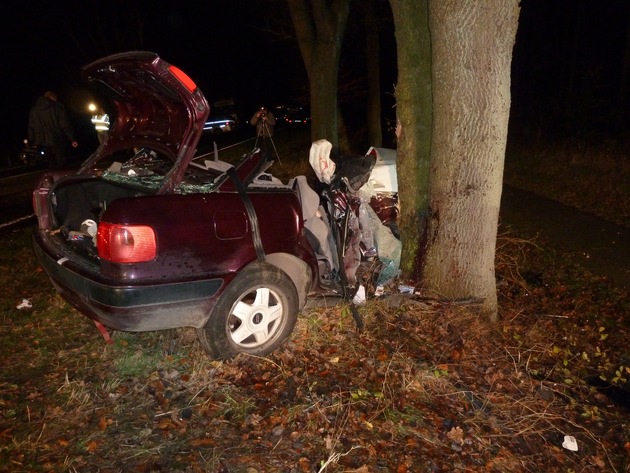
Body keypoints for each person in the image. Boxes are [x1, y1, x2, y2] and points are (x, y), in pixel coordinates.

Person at [28, 90, 78, 170]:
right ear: (52, 97)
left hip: (41, 141)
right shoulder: (57, 107)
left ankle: (53, 179)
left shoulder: (34, 110)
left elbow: (31, 126)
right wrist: (72, 139)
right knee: (61, 161)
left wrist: (32, 141)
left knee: (50, 163)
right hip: (56, 139)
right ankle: (61, 178)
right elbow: (65, 124)